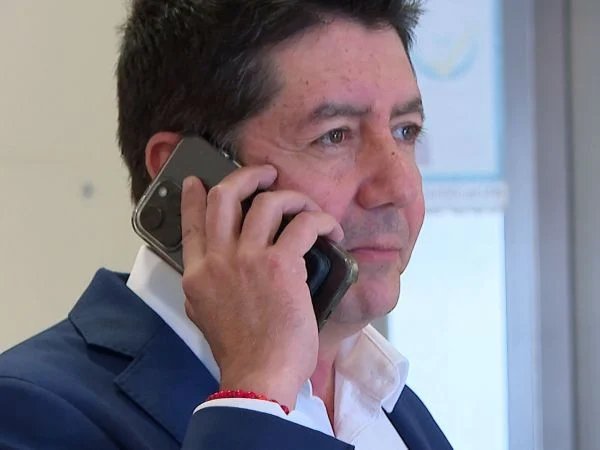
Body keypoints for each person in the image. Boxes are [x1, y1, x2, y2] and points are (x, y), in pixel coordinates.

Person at [0, 0, 453, 448]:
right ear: (190, 179)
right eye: (334, 136)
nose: (399, 187)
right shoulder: (27, 412)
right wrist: (257, 397)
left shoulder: (388, 399)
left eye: (405, 130)